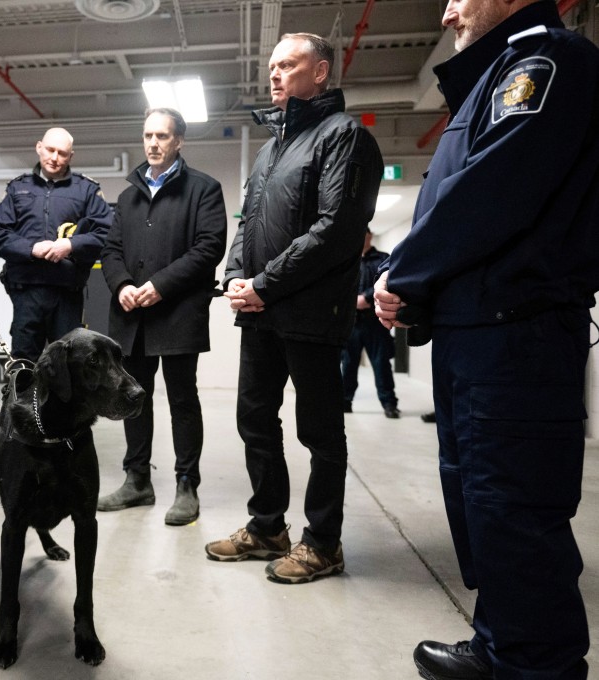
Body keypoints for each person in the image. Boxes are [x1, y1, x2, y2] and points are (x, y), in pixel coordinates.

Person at [373, 1, 599, 677]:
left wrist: (403, 275)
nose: (446, 11)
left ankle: (535, 662)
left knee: (514, 507)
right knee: (484, 505)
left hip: (517, 333)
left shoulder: (547, 61)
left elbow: (489, 194)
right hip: (480, 329)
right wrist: (422, 295)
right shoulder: (496, 76)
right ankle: (504, 643)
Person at [204, 34, 383, 584]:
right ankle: (267, 527)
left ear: (321, 72)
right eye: (273, 65)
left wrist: (266, 283)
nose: (275, 74)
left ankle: (324, 542)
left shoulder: (344, 137)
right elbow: (247, 224)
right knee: (255, 420)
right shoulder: (270, 147)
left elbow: (336, 230)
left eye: (289, 64)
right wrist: (237, 277)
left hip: (311, 313)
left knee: (319, 432)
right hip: (260, 311)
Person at [97, 107, 227, 526]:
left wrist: (159, 285)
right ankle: (138, 481)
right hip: (132, 316)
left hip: (177, 314)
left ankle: (187, 485)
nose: (154, 143)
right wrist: (122, 286)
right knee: (134, 399)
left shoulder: (203, 189)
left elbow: (209, 248)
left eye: (163, 136)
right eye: (148, 135)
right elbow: (110, 250)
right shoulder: (128, 195)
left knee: (182, 400)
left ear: (179, 141)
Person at [0, 127, 112, 361]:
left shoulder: (86, 190)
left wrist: (71, 245)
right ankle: (25, 399)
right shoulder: (17, 188)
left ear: (70, 156)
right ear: (39, 147)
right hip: (27, 292)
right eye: (50, 150)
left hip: (67, 293)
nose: (54, 158)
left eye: (62, 153)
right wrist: (30, 249)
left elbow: (107, 232)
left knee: (67, 363)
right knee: (24, 363)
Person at [340, 228, 399, 418]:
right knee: (348, 365)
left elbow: (389, 282)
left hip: (376, 322)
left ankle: (389, 404)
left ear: (370, 236)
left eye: (363, 234)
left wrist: (366, 298)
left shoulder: (383, 258)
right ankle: (345, 402)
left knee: (381, 364)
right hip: (351, 323)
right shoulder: (347, 260)